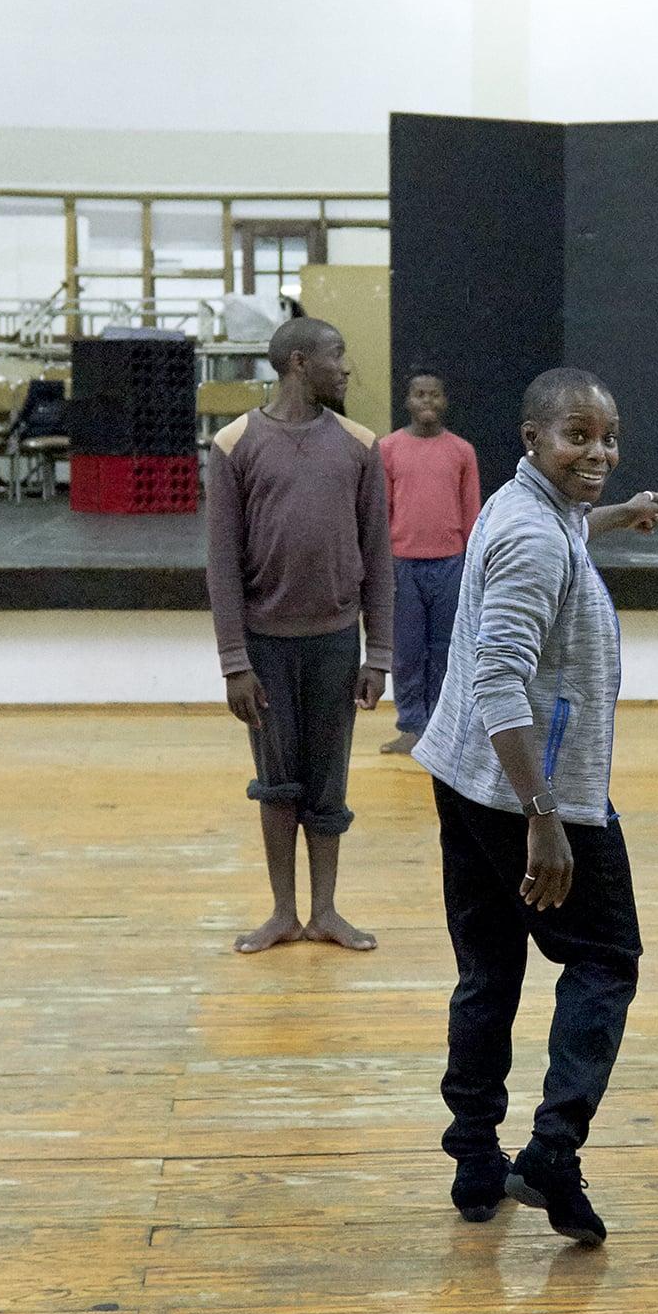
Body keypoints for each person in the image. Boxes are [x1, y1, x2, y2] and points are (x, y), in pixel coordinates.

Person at [413, 366, 658, 1243]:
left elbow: (563, 530)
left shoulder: (527, 508)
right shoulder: (532, 537)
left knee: (490, 969)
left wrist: (616, 512)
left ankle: (474, 1158)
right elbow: (498, 681)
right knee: (607, 960)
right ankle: (553, 1150)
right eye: (577, 436)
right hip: (524, 790)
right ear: (533, 439)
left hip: (463, 779)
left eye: (607, 435)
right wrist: (545, 817)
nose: (597, 451)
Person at [208, 314, 395, 954]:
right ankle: (283, 912)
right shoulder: (234, 445)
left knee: (328, 782)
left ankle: (326, 911)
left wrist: (381, 653)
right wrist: (235, 660)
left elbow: (379, 557)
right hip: (264, 647)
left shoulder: (361, 446)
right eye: (337, 354)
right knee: (275, 780)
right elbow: (222, 564)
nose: (346, 367)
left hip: (337, 646)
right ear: (298, 362)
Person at [378, 367, 480, 757]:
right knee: (406, 650)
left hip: (451, 563)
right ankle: (410, 725)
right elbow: (382, 509)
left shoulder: (461, 451)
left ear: (444, 401)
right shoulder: (388, 449)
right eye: (419, 394)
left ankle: (441, 723)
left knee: (445, 649)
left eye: (433, 394)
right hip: (403, 563)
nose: (426, 401)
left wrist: (474, 560)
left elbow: (472, 509)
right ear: (407, 401)